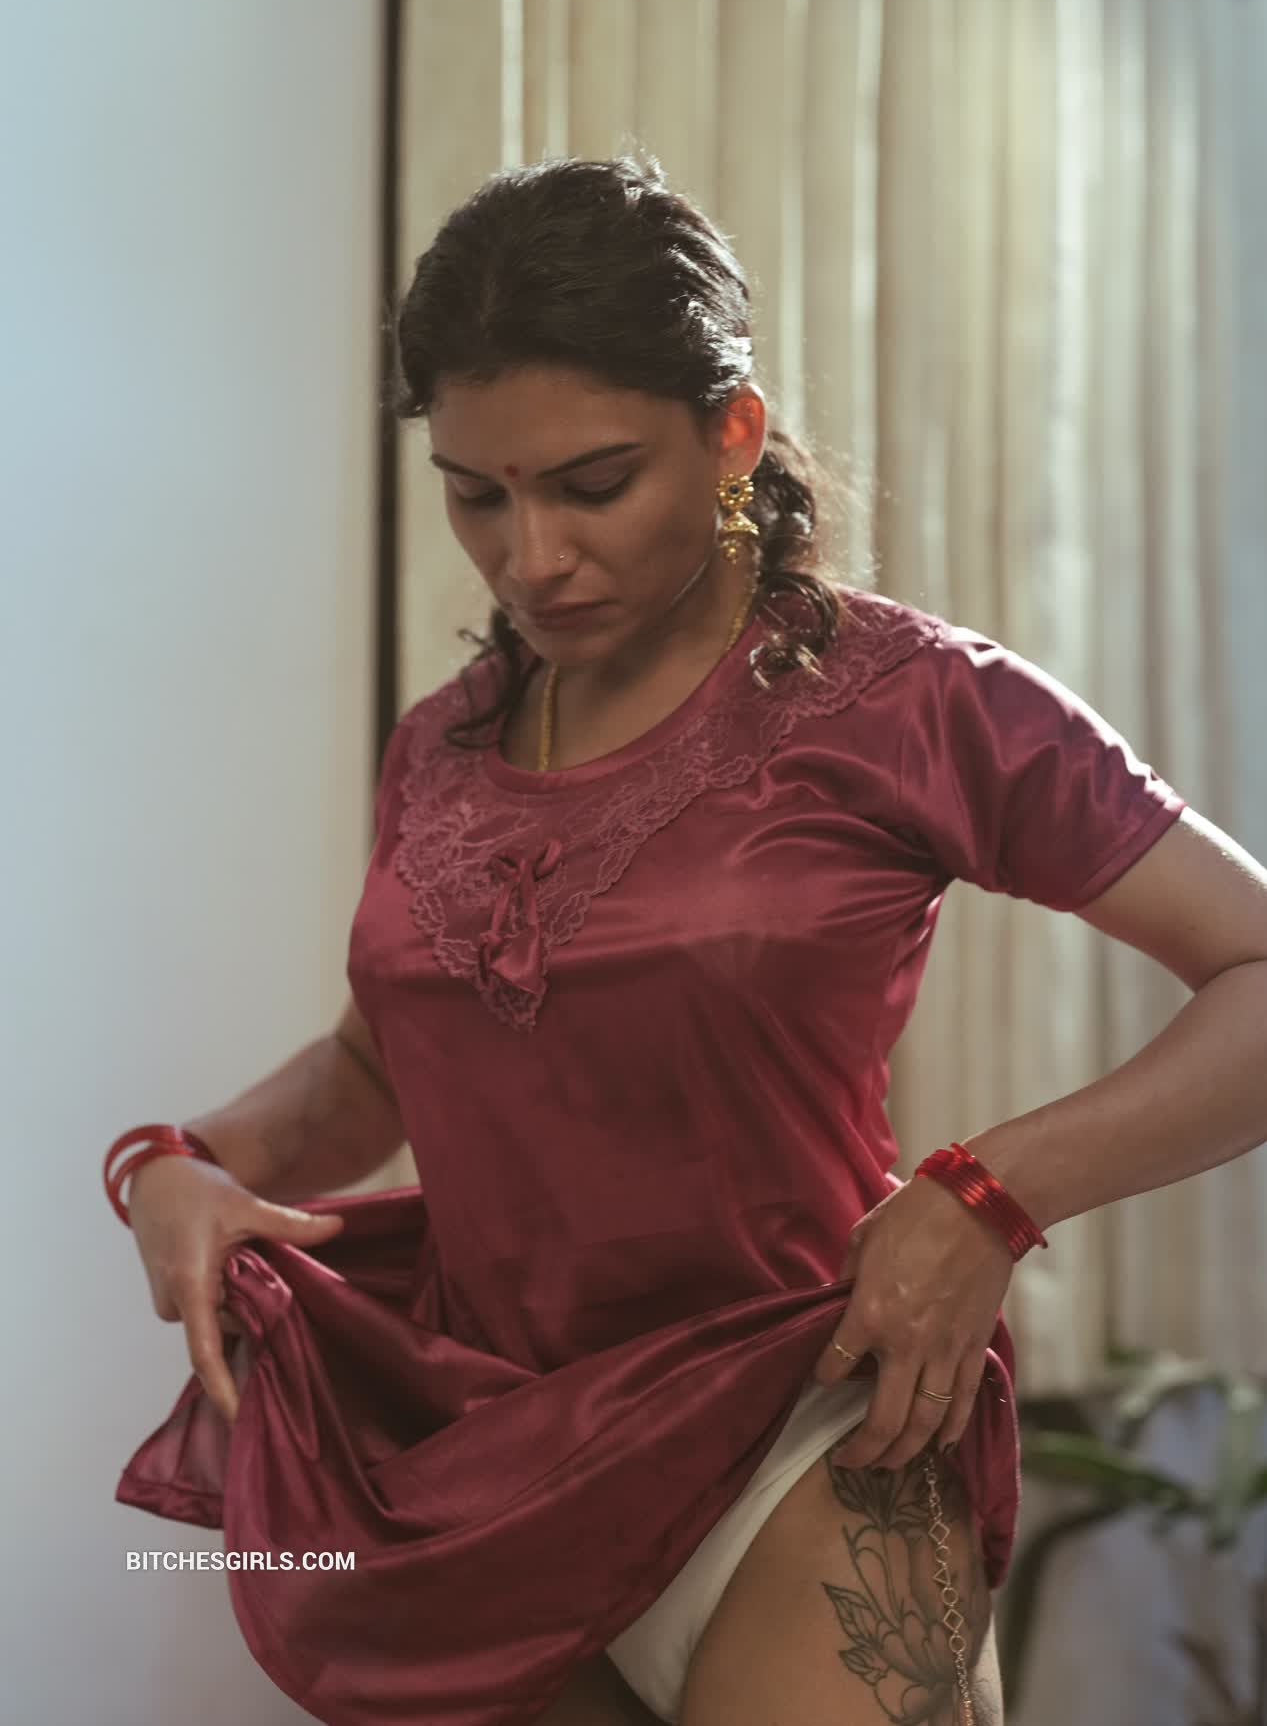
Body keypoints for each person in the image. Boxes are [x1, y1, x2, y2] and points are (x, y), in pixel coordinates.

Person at [106, 154, 1267, 1726]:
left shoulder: (914, 703)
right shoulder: (442, 746)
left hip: (803, 1435)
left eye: (591, 486)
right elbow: (387, 1067)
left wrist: (994, 1193)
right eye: (477, 493)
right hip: (483, 1474)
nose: (530, 557)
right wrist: (182, 1161)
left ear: (732, 434)